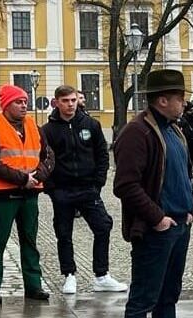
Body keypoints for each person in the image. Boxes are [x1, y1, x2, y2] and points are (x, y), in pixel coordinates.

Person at [113, 69, 193, 318]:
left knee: (168, 297)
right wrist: (157, 218)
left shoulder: (174, 130)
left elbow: (185, 174)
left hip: (180, 226)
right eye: (180, 98)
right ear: (162, 100)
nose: (184, 103)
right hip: (157, 230)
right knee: (142, 300)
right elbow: (124, 185)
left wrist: (191, 207)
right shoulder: (137, 133)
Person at [42, 85, 127, 295]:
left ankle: (101, 275)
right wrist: (52, 189)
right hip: (62, 190)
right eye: (65, 101)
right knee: (64, 233)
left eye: (73, 100)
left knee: (103, 226)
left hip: (88, 188)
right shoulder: (48, 130)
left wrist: (98, 183)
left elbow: (102, 154)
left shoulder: (91, 124)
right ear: (57, 102)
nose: (70, 104)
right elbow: (43, 159)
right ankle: (69, 274)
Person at [0, 85, 55, 305]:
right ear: (7, 105)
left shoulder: (33, 126)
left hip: (30, 194)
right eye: (18, 102)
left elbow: (48, 156)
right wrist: (22, 179)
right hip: (2, 195)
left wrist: (38, 176)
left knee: (30, 241)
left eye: (25, 101)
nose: (24, 105)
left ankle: (34, 285)